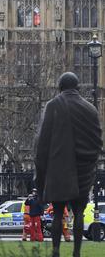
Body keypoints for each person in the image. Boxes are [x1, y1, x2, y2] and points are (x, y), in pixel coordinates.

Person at [34, 72, 103, 257]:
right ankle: (76, 253)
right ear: (77, 87)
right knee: (79, 213)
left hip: (60, 169)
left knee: (58, 213)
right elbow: (97, 142)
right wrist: (89, 161)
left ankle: (56, 251)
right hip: (84, 169)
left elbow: (42, 142)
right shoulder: (91, 109)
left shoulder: (53, 105)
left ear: (60, 87)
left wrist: (40, 171)